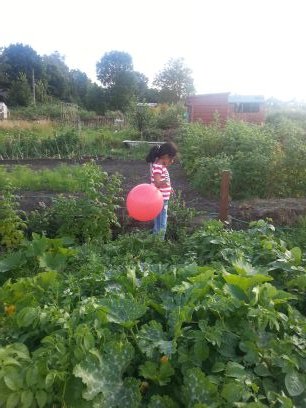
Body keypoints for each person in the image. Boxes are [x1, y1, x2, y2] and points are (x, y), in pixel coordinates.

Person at [146, 142, 178, 239]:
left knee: (158, 220)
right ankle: (160, 242)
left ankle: (156, 239)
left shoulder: (159, 166)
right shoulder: (158, 167)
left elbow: (162, 181)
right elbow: (157, 183)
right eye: (171, 159)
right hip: (161, 199)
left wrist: (169, 187)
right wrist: (165, 182)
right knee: (162, 222)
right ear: (166, 156)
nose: (172, 161)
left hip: (160, 199)